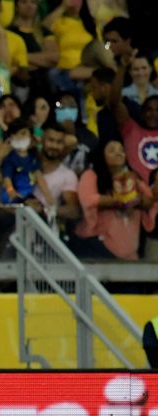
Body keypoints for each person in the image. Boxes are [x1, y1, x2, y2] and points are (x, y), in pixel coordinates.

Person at [73, 139, 157, 260]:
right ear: (101, 155)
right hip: (98, 248)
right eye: (112, 151)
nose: (119, 153)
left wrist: (136, 199)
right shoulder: (91, 175)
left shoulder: (133, 177)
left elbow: (149, 200)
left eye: (121, 150)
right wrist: (122, 200)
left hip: (130, 251)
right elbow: (87, 199)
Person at [111, 51, 158, 184]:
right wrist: (122, 67)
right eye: (149, 110)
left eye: (157, 110)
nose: (153, 114)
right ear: (141, 112)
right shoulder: (131, 129)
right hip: (136, 189)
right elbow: (114, 102)